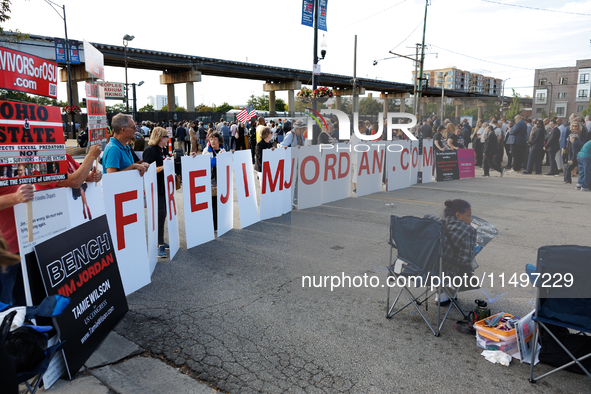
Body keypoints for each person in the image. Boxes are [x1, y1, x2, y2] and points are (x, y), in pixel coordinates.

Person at [424, 199, 478, 304]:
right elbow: (464, 261)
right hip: (444, 272)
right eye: (468, 216)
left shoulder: (431, 221)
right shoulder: (468, 230)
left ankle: (442, 294)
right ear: (458, 215)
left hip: (420, 268)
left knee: (440, 257)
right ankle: (444, 294)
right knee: (465, 266)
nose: (471, 219)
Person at [143, 127, 172, 258]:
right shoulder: (150, 150)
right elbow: (147, 170)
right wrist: (162, 167)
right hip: (156, 189)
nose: (168, 139)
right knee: (160, 215)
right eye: (166, 137)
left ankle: (160, 240)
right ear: (161, 138)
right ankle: (159, 244)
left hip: (164, 187)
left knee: (164, 214)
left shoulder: (163, 150)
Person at [203, 132, 226, 231]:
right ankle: (214, 225)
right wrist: (217, 158)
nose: (212, 141)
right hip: (211, 183)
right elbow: (207, 165)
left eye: (215, 139)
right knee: (213, 204)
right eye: (211, 139)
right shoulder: (206, 151)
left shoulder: (223, 150)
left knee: (221, 203)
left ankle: (221, 223)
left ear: (219, 141)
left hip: (222, 181)